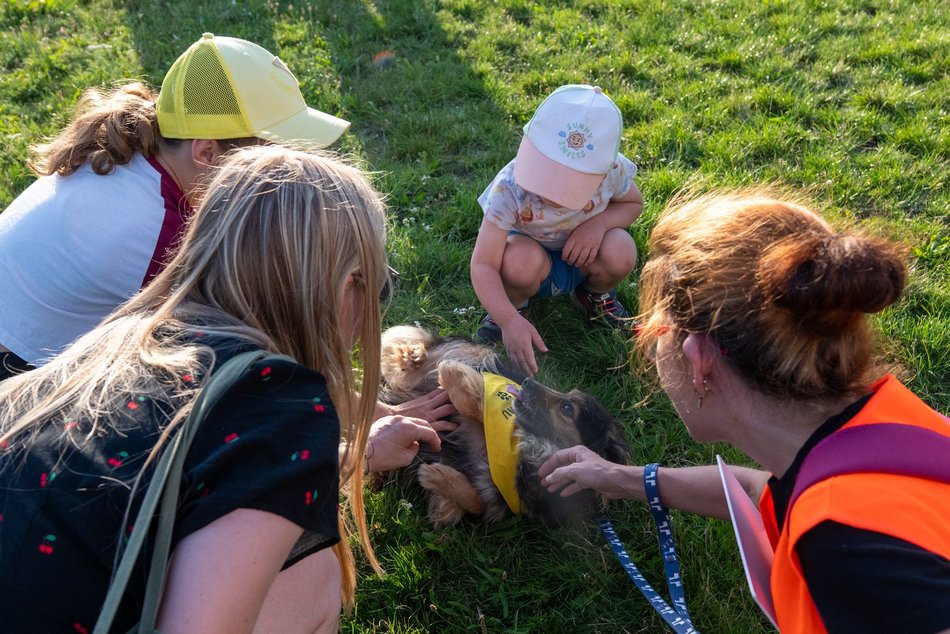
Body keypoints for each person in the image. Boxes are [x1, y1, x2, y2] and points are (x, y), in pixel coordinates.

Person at [0, 146, 439, 632]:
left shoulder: (126, 336)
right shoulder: (282, 401)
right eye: (377, 285)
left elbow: (214, 472)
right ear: (343, 285)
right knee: (315, 577)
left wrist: (363, 452)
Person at [539, 189, 950, 634]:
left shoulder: (844, 550)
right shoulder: (889, 428)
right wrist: (620, 478)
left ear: (698, 362)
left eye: (655, 329)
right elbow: (763, 492)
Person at [0, 32, 350, 376]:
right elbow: (242, 345)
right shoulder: (158, 232)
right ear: (207, 153)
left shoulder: (143, 153)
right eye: (271, 157)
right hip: (16, 374)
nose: (286, 170)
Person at [471, 84, 644, 376]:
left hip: (585, 256)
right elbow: (484, 263)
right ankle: (517, 305)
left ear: (603, 170)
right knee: (518, 262)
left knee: (622, 249)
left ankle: (594, 295)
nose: (550, 194)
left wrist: (597, 225)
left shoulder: (613, 171)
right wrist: (507, 319)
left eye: (568, 184)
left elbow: (633, 204)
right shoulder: (509, 188)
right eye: (543, 173)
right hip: (531, 259)